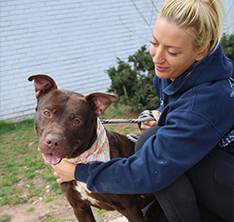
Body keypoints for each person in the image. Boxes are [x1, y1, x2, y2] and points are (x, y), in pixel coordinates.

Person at [52, 0, 234, 221]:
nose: (157, 58)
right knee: (151, 138)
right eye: (155, 42)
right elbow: (179, 113)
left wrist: (78, 172)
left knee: (152, 148)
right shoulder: (175, 73)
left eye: (172, 52)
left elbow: (149, 171)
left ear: (201, 51)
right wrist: (162, 114)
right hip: (217, 172)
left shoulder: (206, 101)